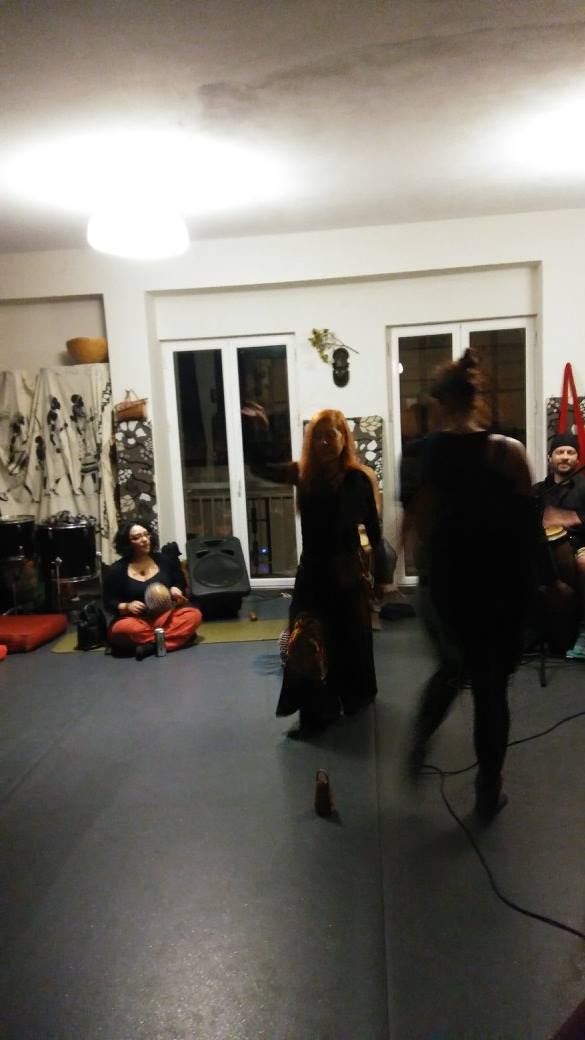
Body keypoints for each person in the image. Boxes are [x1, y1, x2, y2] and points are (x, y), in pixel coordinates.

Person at [403, 349, 536, 820]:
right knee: (490, 688)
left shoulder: (421, 454)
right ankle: (487, 790)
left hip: (448, 586)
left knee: (452, 668)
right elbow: (529, 530)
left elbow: (417, 527)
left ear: (439, 402)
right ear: (477, 398)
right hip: (499, 588)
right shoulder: (508, 451)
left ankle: (420, 740)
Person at [249, 407, 382, 736]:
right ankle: (316, 711)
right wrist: (259, 430)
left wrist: (380, 579)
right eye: (318, 436)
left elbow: (374, 532)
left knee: (348, 640)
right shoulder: (302, 473)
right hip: (313, 575)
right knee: (304, 640)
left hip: (347, 576)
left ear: (343, 438)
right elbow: (260, 468)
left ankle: (352, 697)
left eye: (330, 435)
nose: (324, 442)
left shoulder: (359, 479)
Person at [104, 520, 202, 658]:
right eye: (137, 537)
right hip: (137, 620)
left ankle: (151, 646)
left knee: (193, 615)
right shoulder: (117, 570)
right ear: (127, 543)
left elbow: (179, 581)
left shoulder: (163, 560)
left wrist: (176, 588)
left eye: (146, 534)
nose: (144, 539)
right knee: (121, 629)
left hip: (166, 617)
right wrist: (127, 606)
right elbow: (109, 602)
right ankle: (176, 638)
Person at [533, 432, 585, 659]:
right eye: (559, 452)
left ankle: (583, 631)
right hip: (543, 551)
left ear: (577, 459)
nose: (565, 456)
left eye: (570, 452)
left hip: (579, 545)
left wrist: (570, 518)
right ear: (549, 458)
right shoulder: (538, 491)